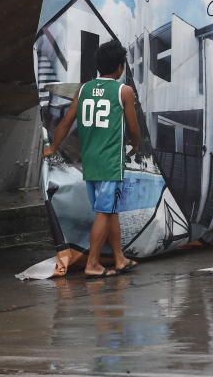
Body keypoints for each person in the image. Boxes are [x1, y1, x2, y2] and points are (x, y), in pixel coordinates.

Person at [43, 39, 141, 277]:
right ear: (120, 67)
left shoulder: (84, 89)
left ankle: (119, 258)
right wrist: (137, 145)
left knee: (110, 210)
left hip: (89, 161)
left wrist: (53, 146)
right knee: (105, 212)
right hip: (110, 162)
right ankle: (93, 264)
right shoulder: (123, 91)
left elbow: (66, 122)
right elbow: (133, 127)